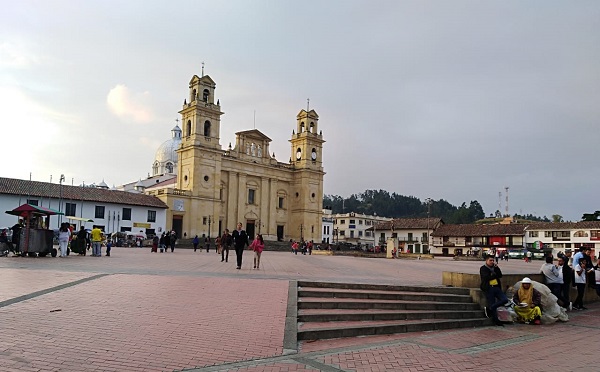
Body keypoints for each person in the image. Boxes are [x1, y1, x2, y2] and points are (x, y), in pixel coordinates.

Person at [480, 255, 508, 326]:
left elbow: (500, 275)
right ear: (486, 261)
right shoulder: (483, 268)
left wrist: (496, 268)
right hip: (489, 288)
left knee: (505, 300)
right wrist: (495, 275)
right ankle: (496, 321)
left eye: (493, 260)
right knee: (492, 303)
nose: (492, 262)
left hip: (496, 287)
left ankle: (490, 308)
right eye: (490, 260)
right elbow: (486, 278)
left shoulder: (495, 268)